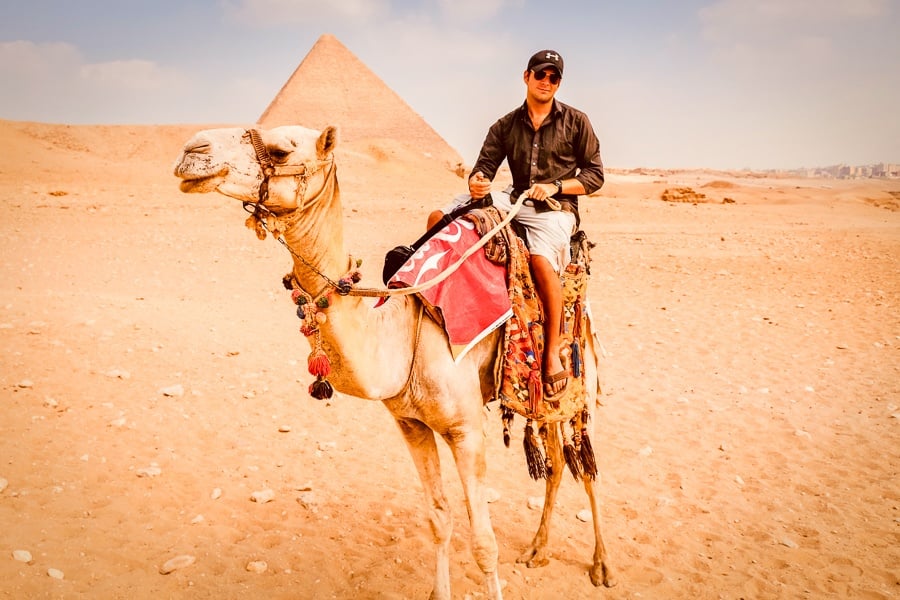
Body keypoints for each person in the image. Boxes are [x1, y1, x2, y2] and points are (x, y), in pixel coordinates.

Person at [427, 48, 604, 397]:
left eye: (554, 77)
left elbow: (595, 176)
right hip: (515, 198)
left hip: (555, 209)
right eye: (541, 74)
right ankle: (434, 306)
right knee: (441, 217)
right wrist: (477, 182)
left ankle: (551, 351)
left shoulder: (576, 121)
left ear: (559, 83)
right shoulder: (505, 125)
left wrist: (555, 185)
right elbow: (484, 168)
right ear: (527, 77)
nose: (546, 82)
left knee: (539, 258)